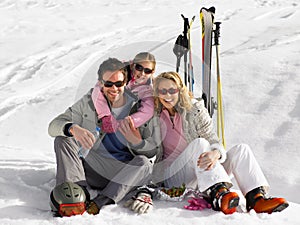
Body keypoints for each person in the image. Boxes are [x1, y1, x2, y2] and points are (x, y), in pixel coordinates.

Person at [152, 71, 289, 215]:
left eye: (172, 90)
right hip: (173, 178)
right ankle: (219, 194)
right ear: (157, 93)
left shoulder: (195, 110)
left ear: (180, 90)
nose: (167, 95)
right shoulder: (154, 114)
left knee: (241, 149)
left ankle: (256, 199)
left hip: (202, 173)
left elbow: (212, 139)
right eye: (163, 91)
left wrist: (216, 153)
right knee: (200, 143)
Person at [48, 57, 162, 215]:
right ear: (100, 83)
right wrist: (73, 128)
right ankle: (74, 195)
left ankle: (101, 201)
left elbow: (152, 151)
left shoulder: (141, 108)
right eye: (108, 83)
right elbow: (53, 126)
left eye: (119, 83)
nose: (114, 88)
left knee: (144, 163)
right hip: (91, 167)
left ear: (126, 82)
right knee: (63, 139)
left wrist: (137, 142)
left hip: (123, 174)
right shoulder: (90, 102)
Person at [91, 52, 156, 133]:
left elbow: (148, 111)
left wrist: (124, 124)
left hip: (122, 114)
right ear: (133, 65)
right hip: (104, 107)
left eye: (147, 71)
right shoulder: (121, 69)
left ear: (152, 72)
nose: (142, 73)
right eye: (139, 68)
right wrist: (105, 115)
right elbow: (98, 87)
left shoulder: (148, 90)